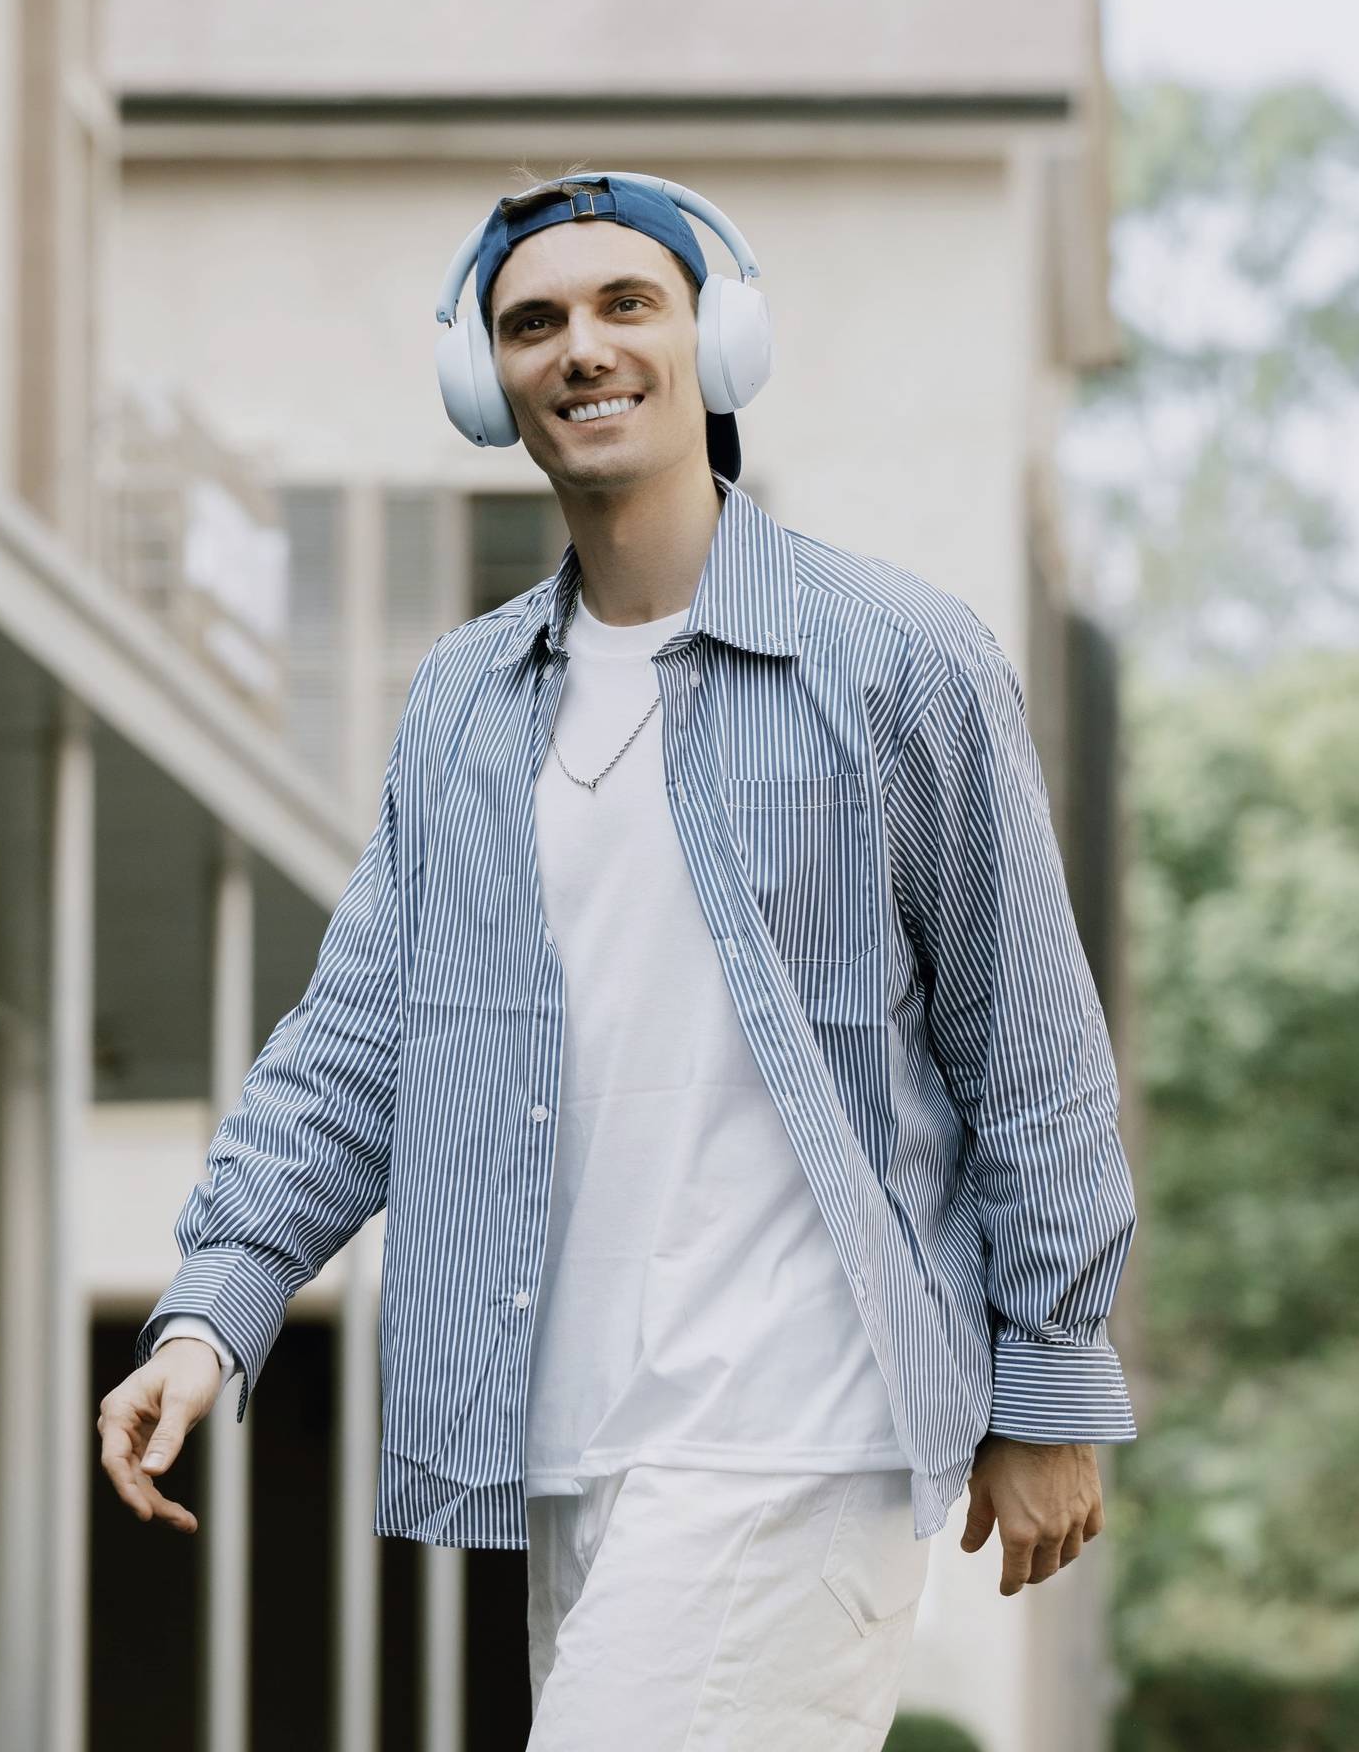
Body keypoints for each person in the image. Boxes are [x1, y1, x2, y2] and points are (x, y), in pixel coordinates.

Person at [98, 173, 1138, 1747]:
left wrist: (1050, 1378)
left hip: (798, 1423)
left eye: (624, 306)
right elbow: (361, 1040)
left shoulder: (899, 661)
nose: (579, 349)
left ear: (714, 348)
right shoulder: (466, 703)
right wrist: (211, 1308)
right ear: (487, 383)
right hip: (573, 1440)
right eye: (534, 324)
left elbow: (1031, 1045)